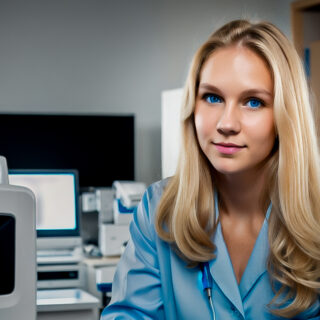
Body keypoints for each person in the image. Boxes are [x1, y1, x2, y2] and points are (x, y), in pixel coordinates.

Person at [101, 20, 320, 319]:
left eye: (253, 102)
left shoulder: (315, 218)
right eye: (213, 97)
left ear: (285, 116)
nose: (226, 124)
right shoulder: (158, 208)